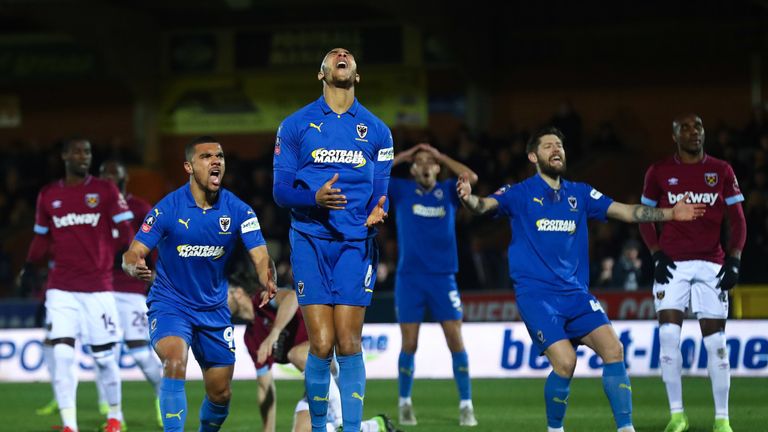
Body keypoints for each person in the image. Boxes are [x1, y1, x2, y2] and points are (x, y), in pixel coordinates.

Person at [456, 127, 706, 432]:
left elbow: (625, 212)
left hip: (576, 294)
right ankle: (555, 429)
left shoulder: (581, 193)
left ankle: (626, 429)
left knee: (614, 350)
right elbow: (484, 206)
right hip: (537, 297)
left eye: (559, 145)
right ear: (534, 156)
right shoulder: (520, 193)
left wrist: (670, 214)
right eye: (548, 146)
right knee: (565, 362)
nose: (556, 150)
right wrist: (469, 200)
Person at [272, 47, 394, 432]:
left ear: (356, 75)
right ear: (321, 73)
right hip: (309, 240)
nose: (342, 54)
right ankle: (322, 428)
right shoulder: (294, 125)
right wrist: (314, 198)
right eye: (334, 54)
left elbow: (382, 192)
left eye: (349, 55)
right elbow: (279, 191)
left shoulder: (377, 131)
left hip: (356, 244)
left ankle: (353, 429)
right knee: (321, 345)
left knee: (349, 342)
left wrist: (380, 209)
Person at [122, 136, 277, 432]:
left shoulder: (239, 211)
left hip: (214, 309)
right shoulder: (168, 208)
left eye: (219, 155)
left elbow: (260, 256)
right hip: (171, 304)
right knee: (174, 362)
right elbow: (133, 251)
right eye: (206, 156)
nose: (216, 160)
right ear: (189, 167)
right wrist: (133, 265)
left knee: (220, 394)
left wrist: (267, 278)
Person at [639, 114, 746, 432]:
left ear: (703, 133)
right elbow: (645, 216)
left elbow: (738, 220)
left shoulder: (721, 170)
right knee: (668, 336)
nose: (693, 132)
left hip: (711, 263)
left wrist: (735, 258)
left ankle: (722, 419)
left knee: (716, 343)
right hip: (672, 264)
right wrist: (656, 253)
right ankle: (677, 415)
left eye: (697, 127)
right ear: (674, 136)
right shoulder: (658, 171)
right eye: (685, 128)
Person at [26, 137, 134, 432]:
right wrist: (28, 265)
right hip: (60, 288)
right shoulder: (48, 195)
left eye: (87, 151)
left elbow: (126, 231)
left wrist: (125, 255)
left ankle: (114, 417)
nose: (83, 156)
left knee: (104, 358)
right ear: (64, 156)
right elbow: (40, 238)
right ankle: (69, 426)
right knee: (61, 354)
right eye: (76, 151)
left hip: (98, 289)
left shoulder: (105, 190)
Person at [227, 271, 398, 432]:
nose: (219, 302)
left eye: (223, 295)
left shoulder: (263, 299)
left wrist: (274, 333)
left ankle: (340, 421)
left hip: (331, 352)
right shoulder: (250, 338)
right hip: (319, 377)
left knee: (296, 354)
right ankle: (376, 426)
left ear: (238, 293)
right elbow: (265, 387)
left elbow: (292, 297)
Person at [388, 142, 479, 426]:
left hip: (443, 277)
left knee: (455, 340)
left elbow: (472, 178)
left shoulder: (450, 190)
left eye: (430, 161)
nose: (425, 165)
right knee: (410, 344)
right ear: (412, 169)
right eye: (420, 161)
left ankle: (466, 404)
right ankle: (404, 402)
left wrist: (442, 155)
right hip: (410, 279)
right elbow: (371, 171)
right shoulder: (401, 190)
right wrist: (402, 156)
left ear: (437, 167)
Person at [99, 160, 164, 428]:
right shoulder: (94, 209)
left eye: (116, 177)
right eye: (106, 177)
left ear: (126, 179)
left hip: (130, 288)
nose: (111, 181)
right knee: (105, 354)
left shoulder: (140, 208)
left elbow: (156, 243)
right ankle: (116, 417)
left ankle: (164, 396)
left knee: (139, 352)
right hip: (99, 289)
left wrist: (156, 274)